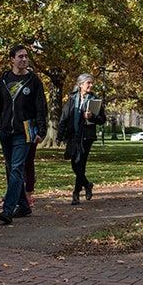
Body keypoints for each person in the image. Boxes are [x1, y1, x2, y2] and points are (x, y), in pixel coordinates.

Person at [0, 44, 48, 225]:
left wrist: (42, 130)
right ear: (12, 59)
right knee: (10, 168)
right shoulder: (3, 81)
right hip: (6, 131)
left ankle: (8, 210)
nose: (24, 59)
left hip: (24, 131)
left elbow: (41, 107)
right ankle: (24, 206)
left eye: (26, 56)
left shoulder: (34, 81)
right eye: (20, 56)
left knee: (16, 168)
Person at [57, 73, 107, 205]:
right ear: (80, 85)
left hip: (86, 137)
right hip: (73, 136)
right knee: (74, 164)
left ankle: (76, 193)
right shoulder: (72, 98)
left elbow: (102, 119)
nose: (90, 85)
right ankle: (87, 184)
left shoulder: (95, 100)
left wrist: (92, 117)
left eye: (91, 83)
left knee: (81, 164)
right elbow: (64, 117)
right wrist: (60, 136)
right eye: (88, 83)